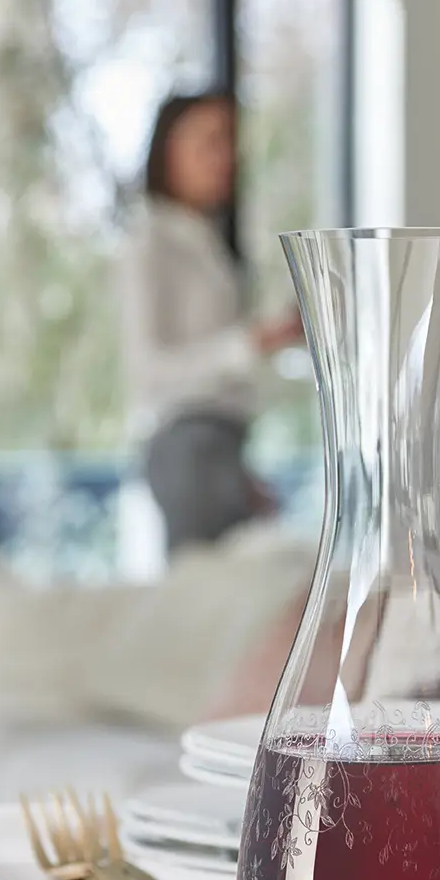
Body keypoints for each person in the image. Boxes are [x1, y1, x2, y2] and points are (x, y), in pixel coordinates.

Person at [118, 91, 303, 554]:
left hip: (222, 444)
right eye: (209, 141)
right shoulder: (150, 241)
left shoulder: (208, 241)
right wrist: (249, 343)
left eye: (229, 143)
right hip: (188, 446)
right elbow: (148, 368)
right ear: (168, 150)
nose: (225, 158)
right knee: (204, 589)